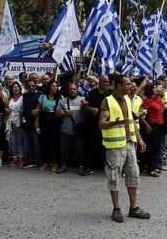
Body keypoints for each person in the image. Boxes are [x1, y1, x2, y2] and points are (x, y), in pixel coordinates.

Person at [99, 74, 149, 223]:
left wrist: (139, 140)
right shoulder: (107, 101)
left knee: (133, 175)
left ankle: (134, 208)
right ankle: (116, 209)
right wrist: (116, 122)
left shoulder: (128, 99)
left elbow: (132, 121)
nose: (131, 86)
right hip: (115, 146)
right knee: (114, 177)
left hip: (129, 144)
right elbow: (101, 123)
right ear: (118, 85)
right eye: (127, 84)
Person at [56, 82, 87, 175]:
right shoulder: (62, 101)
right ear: (67, 91)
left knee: (80, 149)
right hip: (66, 130)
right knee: (64, 149)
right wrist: (63, 113)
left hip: (78, 130)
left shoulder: (83, 100)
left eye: (74, 89)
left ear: (77, 90)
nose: (72, 91)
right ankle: (64, 165)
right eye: (70, 89)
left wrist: (87, 105)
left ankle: (81, 166)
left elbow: (89, 110)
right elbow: (56, 114)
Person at [82, 75, 111, 174]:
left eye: (108, 82)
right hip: (94, 124)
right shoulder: (92, 93)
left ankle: (105, 166)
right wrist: (91, 109)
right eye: (105, 82)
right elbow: (85, 104)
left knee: (106, 147)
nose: (107, 83)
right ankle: (88, 167)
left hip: (107, 124)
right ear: (101, 82)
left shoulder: (110, 94)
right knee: (91, 146)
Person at [35, 80, 61, 172]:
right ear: (49, 87)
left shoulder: (60, 97)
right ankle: (45, 162)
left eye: (56, 86)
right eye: (53, 86)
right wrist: (36, 122)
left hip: (55, 122)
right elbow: (38, 109)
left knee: (55, 143)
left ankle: (56, 163)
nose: (55, 88)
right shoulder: (43, 97)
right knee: (44, 142)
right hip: (44, 121)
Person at [21, 79, 41, 169]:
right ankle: (30, 161)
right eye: (29, 86)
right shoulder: (24, 96)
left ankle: (37, 161)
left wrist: (37, 121)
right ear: (26, 87)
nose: (31, 87)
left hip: (35, 122)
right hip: (26, 122)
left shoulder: (40, 95)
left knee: (36, 142)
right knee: (28, 143)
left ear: (36, 85)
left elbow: (40, 108)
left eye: (33, 85)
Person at [8, 82, 24, 167]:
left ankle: (21, 157)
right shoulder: (9, 98)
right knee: (13, 141)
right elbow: (7, 108)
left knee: (20, 141)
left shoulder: (22, 98)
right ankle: (14, 157)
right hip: (11, 121)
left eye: (17, 87)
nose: (16, 88)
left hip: (20, 121)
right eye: (14, 87)